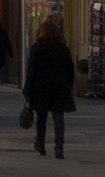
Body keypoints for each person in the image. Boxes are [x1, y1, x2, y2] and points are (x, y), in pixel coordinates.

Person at [24, 19, 76, 158]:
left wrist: (27, 89)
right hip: (59, 86)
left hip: (41, 87)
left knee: (41, 116)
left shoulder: (36, 48)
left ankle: (40, 144)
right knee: (58, 115)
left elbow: (31, 71)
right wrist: (68, 86)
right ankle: (59, 147)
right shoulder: (63, 49)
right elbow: (71, 70)